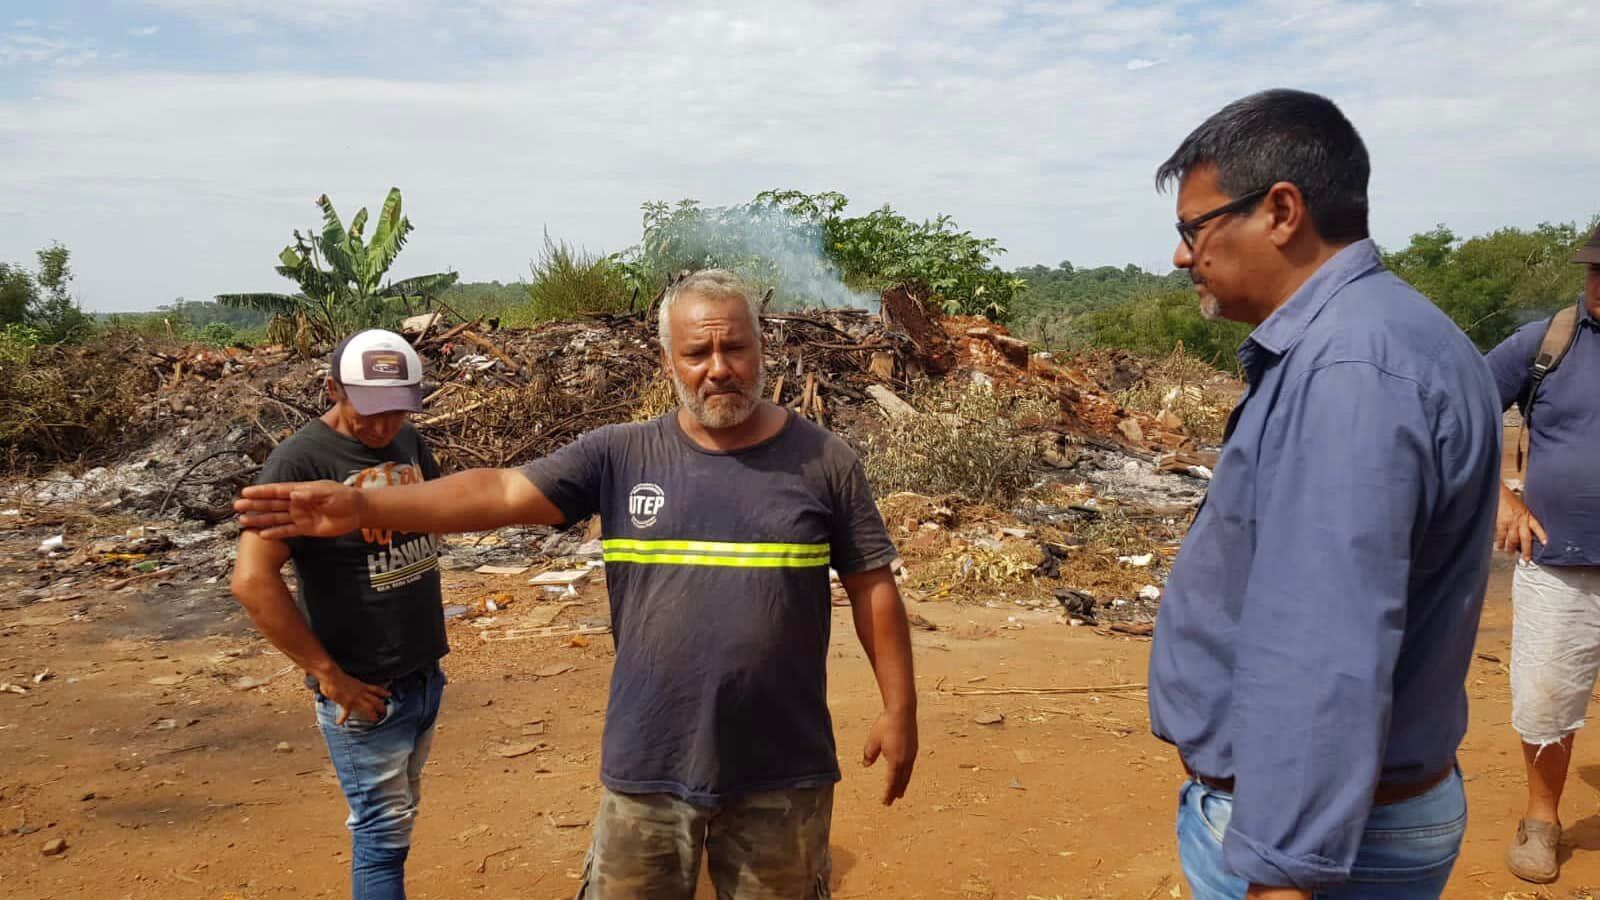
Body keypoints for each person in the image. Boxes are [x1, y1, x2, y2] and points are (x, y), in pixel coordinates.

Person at [236, 269, 919, 900]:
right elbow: (500, 490)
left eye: (734, 349)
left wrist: (900, 709)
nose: (718, 370)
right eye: (697, 355)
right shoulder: (619, 455)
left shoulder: (825, 462)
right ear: (668, 363)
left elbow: (872, 586)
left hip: (784, 766)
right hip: (649, 761)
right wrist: (365, 507)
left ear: (760, 349)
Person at [1145, 89, 1501, 899]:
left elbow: (1322, 640)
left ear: (1280, 210)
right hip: (1355, 823)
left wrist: (1281, 868)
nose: (1180, 256)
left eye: (1192, 229)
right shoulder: (1396, 334)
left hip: (1327, 844)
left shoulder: (1348, 371)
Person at [230, 328, 447, 900]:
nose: (382, 427)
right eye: (369, 411)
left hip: (422, 675)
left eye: (396, 411)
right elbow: (252, 580)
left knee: (399, 822)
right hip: (362, 688)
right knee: (380, 839)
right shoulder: (298, 461)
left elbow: (437, 507)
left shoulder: (408, 442)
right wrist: (329, 677)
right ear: (333, 389)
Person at [1486, 223, 1600, 883]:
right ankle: (1542, 820)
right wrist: (1503, 500)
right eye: (1595, 269)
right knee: (1548, 699)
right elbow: (1460, 414)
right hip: (1560, 565)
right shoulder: (1546, 344)